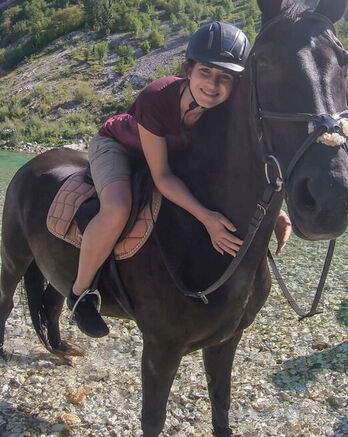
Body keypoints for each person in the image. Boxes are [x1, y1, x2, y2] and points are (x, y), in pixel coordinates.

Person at [67, 22, 292, 337]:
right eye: (205, 72)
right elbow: (161, 175)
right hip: (119, 146)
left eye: (224, 77)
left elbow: (229, 170)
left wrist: (273, 211)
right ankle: (80, 294)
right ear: (189, 69)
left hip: (170, 156)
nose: (213, 85)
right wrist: (207, 218)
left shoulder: (225, 110)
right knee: (117, 208)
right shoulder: (157, 97)